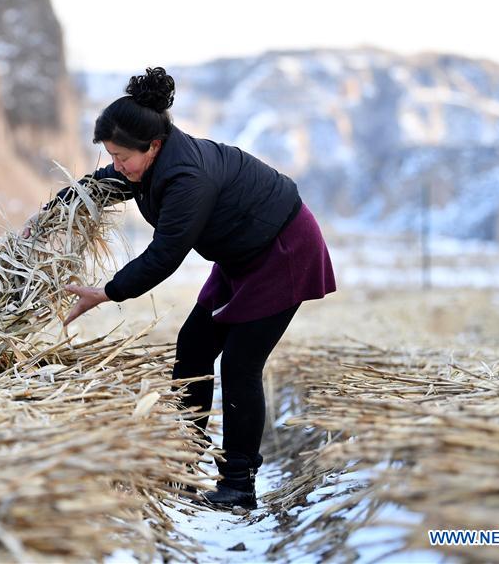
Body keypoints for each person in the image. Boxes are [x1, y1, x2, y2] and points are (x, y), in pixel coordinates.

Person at [28, 67, 336, 510]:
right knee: (193, 346)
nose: (117, 166)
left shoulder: (187, 177)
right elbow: (101, 185)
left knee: (240, 363)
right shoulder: (145, 164)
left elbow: (165, 255)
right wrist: (47, 216)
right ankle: (184, 463)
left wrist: (108, 292)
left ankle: (238, 484)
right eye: (110, 155)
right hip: (240, 254)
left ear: (152, 146)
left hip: (281, 249)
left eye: (122, 156)